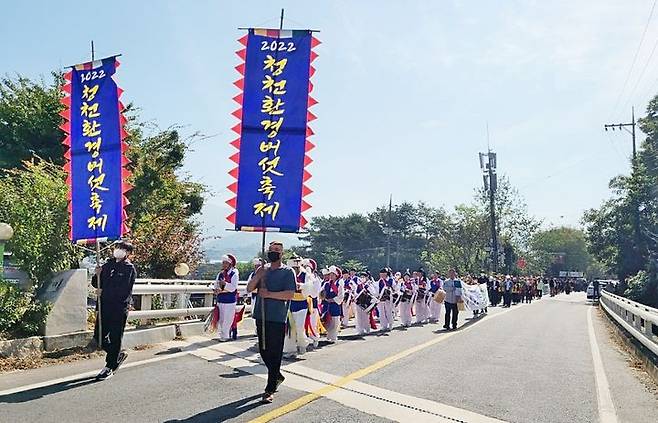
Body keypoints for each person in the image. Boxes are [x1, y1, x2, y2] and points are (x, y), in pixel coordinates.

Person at [247, 241, 296, 403]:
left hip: (277, 317)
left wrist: (269, 295)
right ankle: (277, 375)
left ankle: (269, 388)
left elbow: (289, 294)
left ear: (282, 253)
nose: (274, 252)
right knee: (263, 350)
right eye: (271, 250)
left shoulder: (288, 272)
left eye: (277, 250)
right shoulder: (263, 270)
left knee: (275, 353)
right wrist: (258, 276)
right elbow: (249, 288)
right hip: (261, 315)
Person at [92, 241, 137, 381]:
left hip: (118, 307)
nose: (118, 250)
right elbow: (96, 283)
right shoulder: (107, 265)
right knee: (99, 337)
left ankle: (110, 366)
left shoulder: (129, 269)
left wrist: (103, 292)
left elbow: (123, 290)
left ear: (128, 253)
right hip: (104, 305)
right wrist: (96, 274)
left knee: (116, 336)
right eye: (117, 248)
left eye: (122, 249)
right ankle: (117, 355)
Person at [283, 257, 312, 358]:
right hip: (291, 304)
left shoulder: (305, 275)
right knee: (290, 328)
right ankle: (290, 350)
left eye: (296, 267)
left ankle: (302, 344)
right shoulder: (288, 275)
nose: (295, 270)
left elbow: (309, 287)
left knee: (299, 326)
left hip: (302, 304)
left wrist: (301, 286)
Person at [214, 254, 239, 342]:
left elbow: (233, 288)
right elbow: (216, 284)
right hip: (221, 299)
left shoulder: (234, 273)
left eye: (226, 263)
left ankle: (226, 335)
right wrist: (216, 289)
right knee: (221, 318)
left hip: (230, 300)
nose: (224, 265)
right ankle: (223, 334)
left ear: (230, 264)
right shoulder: (220, 273)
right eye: (223, 263)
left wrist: (224, 285)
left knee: (227, 319)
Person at [321, 266, 343, 342]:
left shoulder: (339, 285)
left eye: (333, 275)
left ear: (336, 276)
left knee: (335, 321)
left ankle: (333, 337)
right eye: (330, 274)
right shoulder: (326, 284)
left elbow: (341, 296)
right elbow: (321, 293)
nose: (331, 276)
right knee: (328, 321)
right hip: (327, 305)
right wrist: (322, 295)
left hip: (335, 305)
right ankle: (328, 335)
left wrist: (333, 300)